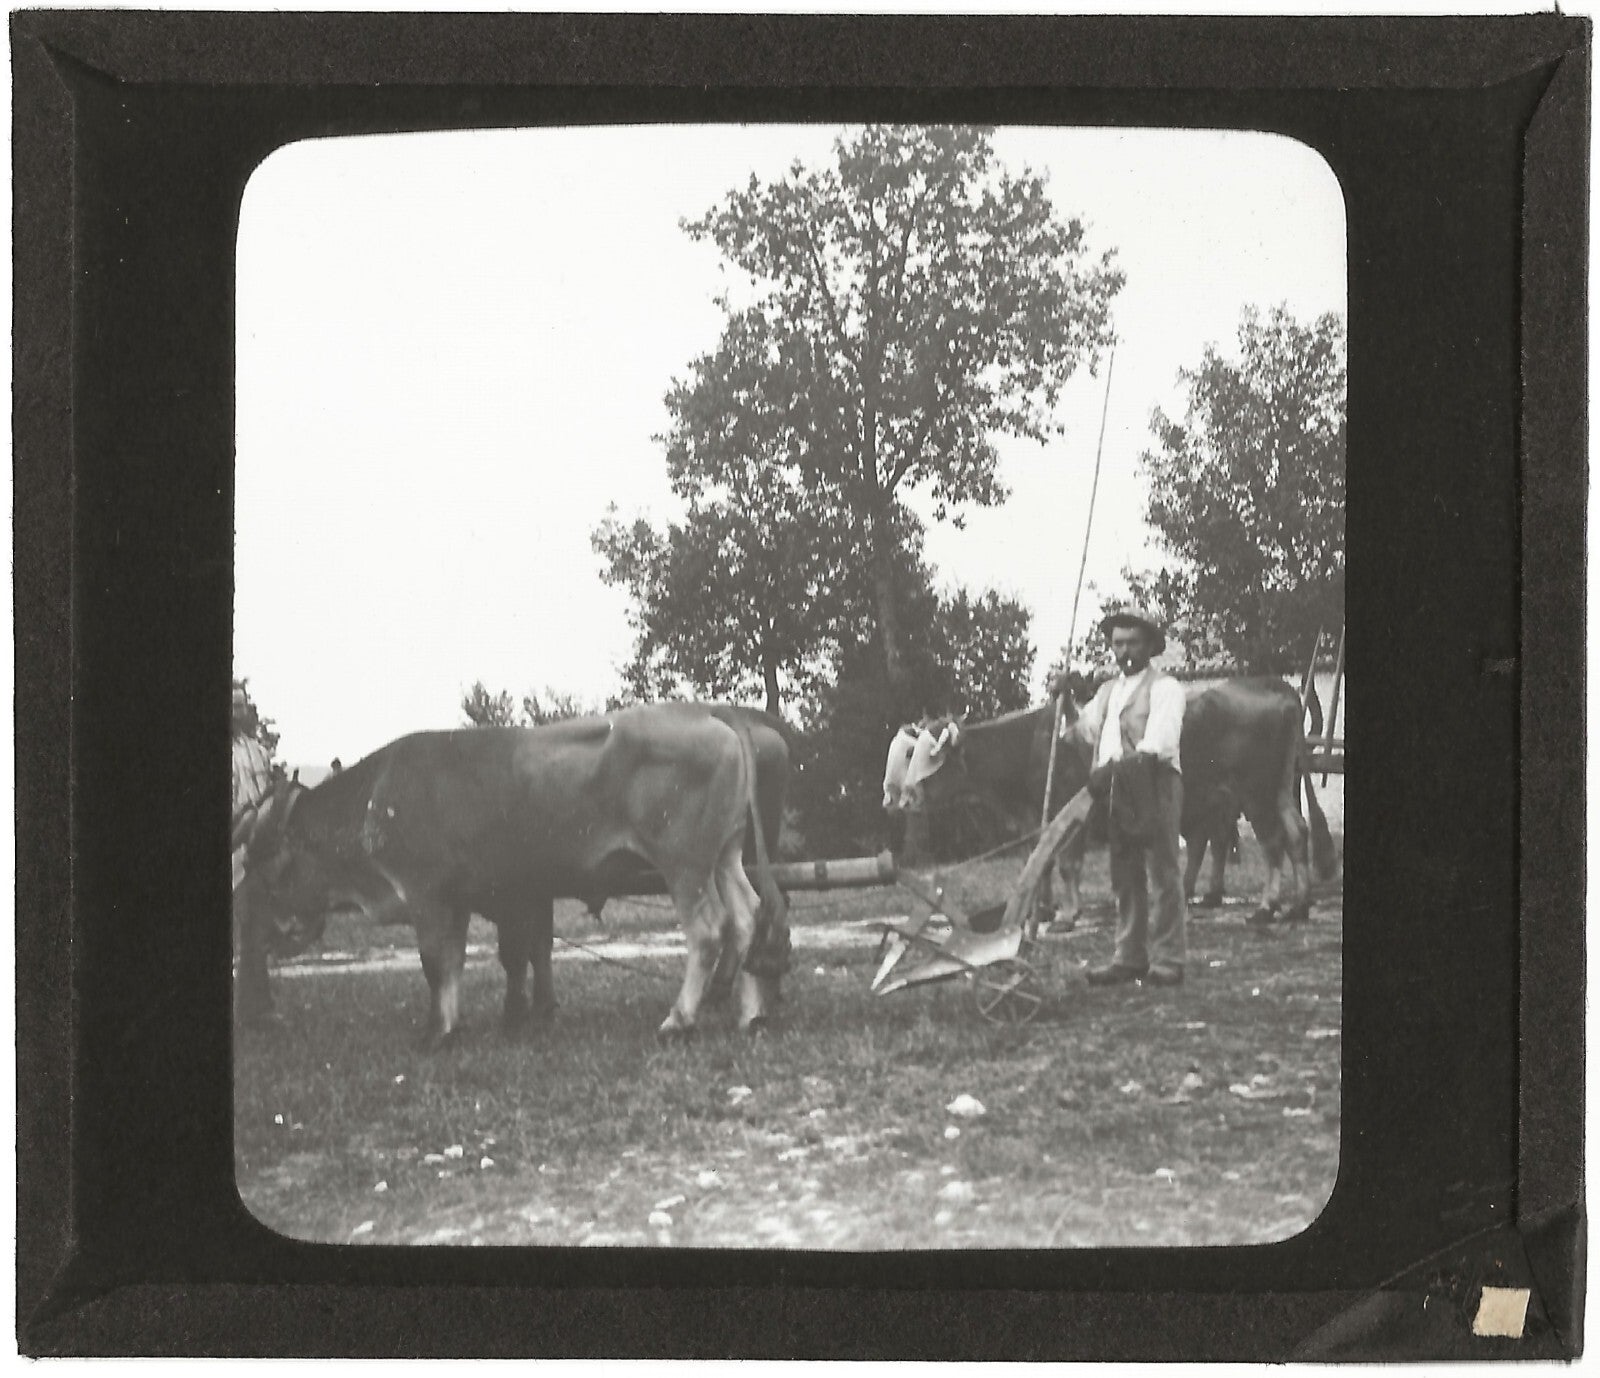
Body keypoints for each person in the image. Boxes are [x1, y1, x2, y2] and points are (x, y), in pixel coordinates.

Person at [1065, 607, 1188, 988]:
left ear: (1150, 645)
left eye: (1133, 642)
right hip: (1116, 789)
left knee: (1163, 870)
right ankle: (1129, 956)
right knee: (1125, 873)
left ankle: (1168, 959)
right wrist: (1065, 699)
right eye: (1118, 643)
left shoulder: (1165, 689)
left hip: (1154, 783)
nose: (1125, 651)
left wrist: (1115, 769)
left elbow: (1158, 744)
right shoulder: (1108, 692)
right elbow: (1084, 731)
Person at [231, 684, 276, 1024]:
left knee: (257, 933)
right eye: (231, 706)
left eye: (241, 706)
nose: (237, 713)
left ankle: (258, 1009)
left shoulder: (258, 751)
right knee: (245, 933)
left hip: (258, 855)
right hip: (232, 851)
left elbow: (270, 797)